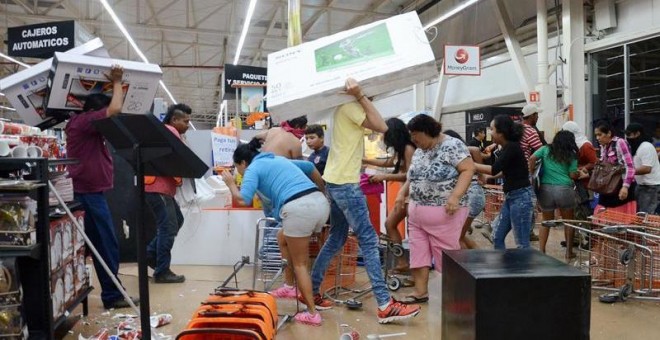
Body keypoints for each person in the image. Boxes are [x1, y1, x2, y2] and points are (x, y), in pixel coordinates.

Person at [310, 78, 421, 324]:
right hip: (346, 184)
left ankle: (313, 290)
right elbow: (382, 125)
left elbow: (374, 127)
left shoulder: (343, 110)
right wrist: (360, 95)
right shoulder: (350, 106)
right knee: (369, 239)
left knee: (337, 237)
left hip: (335, 180)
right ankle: (384, 304)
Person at [221, 139, 329, 326]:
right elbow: (309, 166)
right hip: (319, 203)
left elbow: (243, 199)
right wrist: (321, 192)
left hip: (298, 209)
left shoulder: (252, 169)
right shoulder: (277, 160)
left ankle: (312, 314)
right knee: (282, 238)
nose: (238, 171)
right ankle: (289, 287)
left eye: (237, 167)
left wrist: (230, 183)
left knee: (300, 264)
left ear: (243, 163)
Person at [65, 65, 139, 309]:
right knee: (106, 243)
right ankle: (112, 295)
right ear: (97, 112)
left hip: (91, 193)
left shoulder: (86, 126)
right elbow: (114, 108)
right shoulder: (85, 122)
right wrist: (117, 81)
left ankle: (111, 291)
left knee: (102, 243)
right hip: (87, 194)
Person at [395, 119, 473, 304]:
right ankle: (420, 292)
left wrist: (455, 196)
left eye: (416, 134)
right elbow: (412, 176)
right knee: (418, 252)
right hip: (416, 213)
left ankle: (458, 296)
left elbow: (468, 169)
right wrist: (401, 193)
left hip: (446, 212)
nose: (413, 139)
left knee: (446, 256)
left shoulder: (452, 145)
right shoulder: (420, 150)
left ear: (428, 130)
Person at [144, 104, 191, 283]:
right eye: (185, 121)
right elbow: (183, 157)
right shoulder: (170, 130)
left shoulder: (164, 131)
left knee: (176, 221)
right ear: (174, 120)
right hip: (159, 187)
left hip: (159, 188)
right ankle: (162, 271)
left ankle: (150, 254)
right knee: (168, 227)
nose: (188, 124)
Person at [362, 118, 416, 272]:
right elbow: (389, 163)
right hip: (405, 197)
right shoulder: (400, 149)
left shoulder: (408, 149)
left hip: (411, 196)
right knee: (390, 225)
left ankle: (410, 266)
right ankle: (403, 263)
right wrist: (363, 159)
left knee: (403, 229)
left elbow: (410, 175)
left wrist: (384, 177)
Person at [475, 115, 534, 249]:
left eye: (492, 129)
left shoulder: (512, 147)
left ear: (501, 132)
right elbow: (506, 170)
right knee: (497, 236)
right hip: (511, 197)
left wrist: (470, 165)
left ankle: (523, 269)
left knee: (522, 244)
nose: (490, 132)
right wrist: (488, 178)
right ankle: (503, 268)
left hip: (520, 198)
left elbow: (494, 168)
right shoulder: (507, 148)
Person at [528, 131, 581, 259]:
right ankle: (568, 252)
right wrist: (579, 173)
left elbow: (532, 158)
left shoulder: (545, 149)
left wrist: (531, 173)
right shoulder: (571, 154)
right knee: (568, 222)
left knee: (546, 221)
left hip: (546, 189)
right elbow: (573, 175)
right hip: (564, 190)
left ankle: (542, 251)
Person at [443, 130, 485, 249]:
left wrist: (481, 174)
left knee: (457, 238)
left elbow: (475, 150)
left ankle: (466, 265)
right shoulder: (459, 154)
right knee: (460, 235)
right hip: (473, 195)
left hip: (472, 196)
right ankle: (478, 258)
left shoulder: (459, 150)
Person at [592, 121, 637, 214]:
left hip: (621, 185)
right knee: (604, 216)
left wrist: (625, 187)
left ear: (608, 133)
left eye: (600, 134)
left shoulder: (620, 143)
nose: (597, 138)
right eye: (596, 135)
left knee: (620, 219)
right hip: (608, 187)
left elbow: (630, 166)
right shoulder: (603, 147)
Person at [562, 121, 598, 221]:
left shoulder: (585, 146)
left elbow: (594, 162)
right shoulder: (572, 145)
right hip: (577, 180)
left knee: (586, 206)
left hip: (586, 181)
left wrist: (582, 168)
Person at [520, 105, 545, 242]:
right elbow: (541, 151)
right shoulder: (530, 131)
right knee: (530, 201)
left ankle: (527, 231)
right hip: (526, 171)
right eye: (536, 115)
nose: (538, 117)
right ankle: (527, 232)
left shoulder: (517, 129)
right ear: (532, 116)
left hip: (514, 170)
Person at [625, 123, 660, 213]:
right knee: (639, 215)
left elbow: (647, 168)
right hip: (641, 185)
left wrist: (628, 171)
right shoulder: (637, 147)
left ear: (637, 134)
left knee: (645, 216)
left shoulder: (646, 147)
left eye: (629, 134)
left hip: (651, 187)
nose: (627, 138)